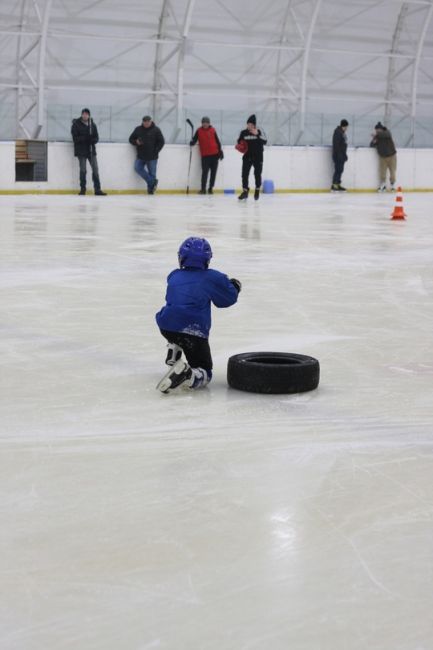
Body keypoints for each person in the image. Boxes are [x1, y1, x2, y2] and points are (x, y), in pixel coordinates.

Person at [155, 237, 241, 394]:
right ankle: (188, 375)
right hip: (193, 333)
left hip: (166, 325)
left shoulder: (173, 275)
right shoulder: (212, 277)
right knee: (205, 372)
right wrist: (235, 286)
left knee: (176, 320)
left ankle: (173, 349)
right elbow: (227, 300)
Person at [71, 108, 106, 196]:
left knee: (95, 169)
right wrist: (86, 138)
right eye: (83, 114)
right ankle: (83, 189)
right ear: (81, 115)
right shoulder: (76, 125)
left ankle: (97, 189)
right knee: (83, 170)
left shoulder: (92, 125)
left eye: (87, 114)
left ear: (89, 115)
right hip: (81, 151)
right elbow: (75, 139)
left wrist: (93, 140)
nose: (85, 115)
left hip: (91, 151)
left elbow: (96, 137)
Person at [129, 115, 165, 194]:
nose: (146, 123)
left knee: (152, 173)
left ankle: (150, 190)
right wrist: (136, 142)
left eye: (148, 121)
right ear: (142, 122)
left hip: (152, 156)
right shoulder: (138, 129)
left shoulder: (156, 130)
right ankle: (152, 182)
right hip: (141, 155)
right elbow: (130, 139)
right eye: (145, 121)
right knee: (137, 168)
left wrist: (156, 150)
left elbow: (161, 141)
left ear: (151, 121)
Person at [190, 116, 224, 194]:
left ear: (209, 123)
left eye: (206, 123)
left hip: (215, 155)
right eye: (204, 123)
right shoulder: (198, 131)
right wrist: (192, 142)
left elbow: (218, 142)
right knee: (205, 172)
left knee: (213, 173)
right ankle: (203, 189)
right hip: (205, 156)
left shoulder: (213, 130)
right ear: (202, 123)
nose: (205, 124)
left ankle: (210, 188)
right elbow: (195, 139)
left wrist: (220, 151)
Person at [237, 114, 267, 201]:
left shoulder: (259, 131)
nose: (249, 126)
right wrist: (239, 145)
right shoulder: (243, 133)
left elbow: (265, 141)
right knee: (244, 174)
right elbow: (239, 141)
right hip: (247, 156)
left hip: (258, 157)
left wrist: (257, 134)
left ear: (254, 125)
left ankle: (257, 189)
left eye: (251, 124)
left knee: (257, 174)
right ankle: (245, 191)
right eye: (248, 124)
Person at [370, 122, 397, 192]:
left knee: (392, 171)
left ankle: (392, 186)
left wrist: (376, 135)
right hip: (382, 157)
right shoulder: (377, 137)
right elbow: (372, 145)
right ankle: (383, 185)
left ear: (381, 129)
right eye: (376, 130)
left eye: (378, 130)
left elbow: (387, 134)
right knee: (382, 172)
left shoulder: (387, 133)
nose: (377, 131)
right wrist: (374, 140)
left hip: (392, 156)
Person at [331, 119, 349, 192]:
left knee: (340, 170)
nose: (347, 128)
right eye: (347, 126)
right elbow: (336, 145)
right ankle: (334, 185)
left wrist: (344, 155)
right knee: (338, 170)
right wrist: (339, 155)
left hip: (341, 155)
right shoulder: (338, 132)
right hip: (338, 155)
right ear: (344, 126)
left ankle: (337, 184)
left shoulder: (342, 132)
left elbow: (343, 144)